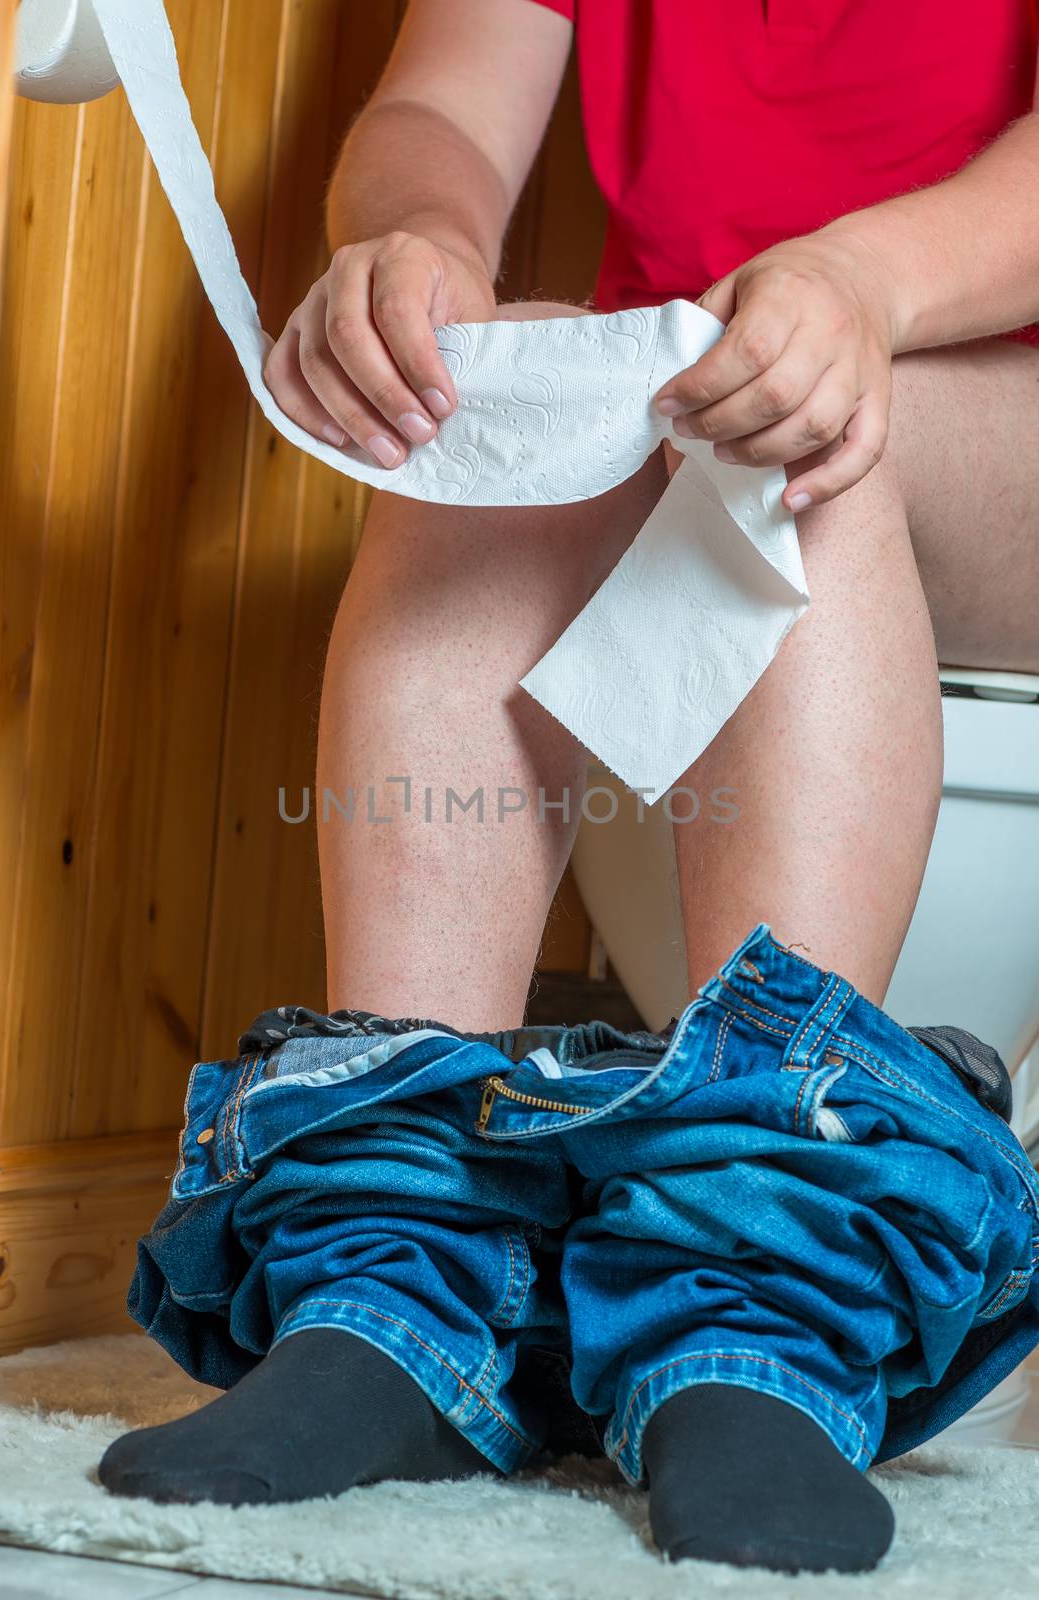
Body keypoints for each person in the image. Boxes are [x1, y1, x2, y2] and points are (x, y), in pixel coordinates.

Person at [98, 0, 1039, 1576]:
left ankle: (763, 1318)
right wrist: (416, 249)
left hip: (987, 384)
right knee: (481, 407)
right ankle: (393, 1282)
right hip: (684, 386)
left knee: (796, 450)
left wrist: (859, 286)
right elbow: (447, 108)